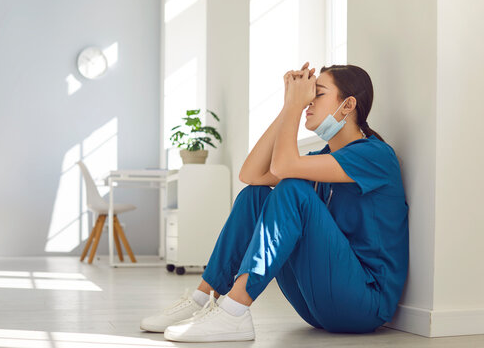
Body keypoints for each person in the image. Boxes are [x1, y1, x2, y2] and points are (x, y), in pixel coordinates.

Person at [140, 62, 409, 343]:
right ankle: (202, 298)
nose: (308, 103)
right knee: (255, 195)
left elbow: (283, 167)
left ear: (348, 104)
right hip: (316, 305)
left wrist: (294, 106)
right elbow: (251, 175)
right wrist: (286, 108)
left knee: (292, 187)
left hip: (364, 304)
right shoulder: (323, 157)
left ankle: (234, 311)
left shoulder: (376, 155)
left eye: (317, 94)